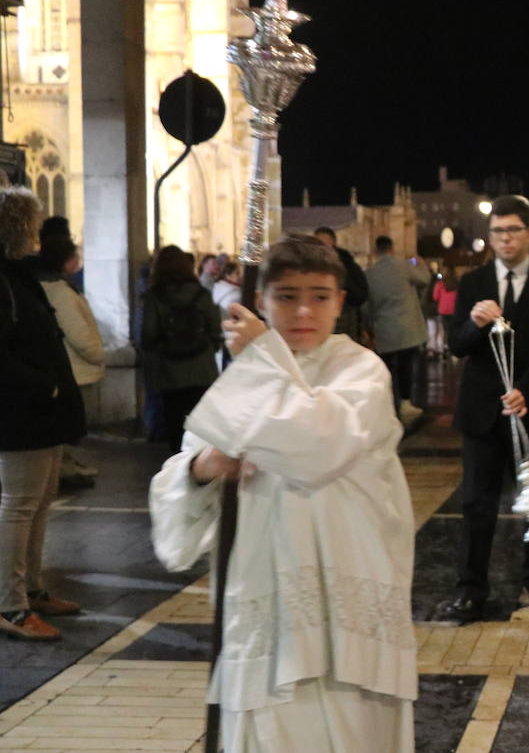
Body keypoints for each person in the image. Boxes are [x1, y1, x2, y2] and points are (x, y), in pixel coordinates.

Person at [149, 236, 416, 752]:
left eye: (319, 296)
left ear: (341, 301)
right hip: (266, 601)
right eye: (286, 295)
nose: (302, 311)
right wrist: (204, 467)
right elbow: (179, 480)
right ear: (261, 301)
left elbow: (319, 441)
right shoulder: (242, 376)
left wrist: (261, 357)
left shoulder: (361, 370)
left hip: (347, 611)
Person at [438, 195, 529, 623]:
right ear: (489, 237)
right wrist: (473, 324)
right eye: (498, 232)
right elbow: (457, 345)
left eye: (513, 230)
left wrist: (527, 389)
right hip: (482, 412)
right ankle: (471, 587)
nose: (505, 239)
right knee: (477, 502)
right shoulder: (472, 284)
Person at [0, 186, 85, 641]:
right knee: (17, 509)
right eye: (30, 226)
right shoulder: (4, 280)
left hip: (42, 414)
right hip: (19, 414)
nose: (37, 235)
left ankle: (31, 590)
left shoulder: (20, 277)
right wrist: (43, 384)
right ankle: (10, 606)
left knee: (37, 506)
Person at [34, 236, 105, 490]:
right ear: (66, 262)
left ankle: (65, 466)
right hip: (75, 368)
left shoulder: (48, 287)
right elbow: (78, 332)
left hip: (67, 366)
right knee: (67, 424)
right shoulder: (61, 292)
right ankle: (62, 471)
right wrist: (98, 354)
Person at [141, 245, 222, 452]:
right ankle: (202, 465)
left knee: (175, 424)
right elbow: (215, 328)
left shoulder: (154, 296)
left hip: (170, 371)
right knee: (202, 424)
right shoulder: (201, 294)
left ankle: (179, 468)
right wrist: (206, 349)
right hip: (202, 368)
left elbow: (148, 334)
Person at [364, 235, 429, 422]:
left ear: (377, 251)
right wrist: (421, 264)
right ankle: (406, 403)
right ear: (392, 249)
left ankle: (387, 404)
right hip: (407, 328)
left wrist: (369, 327)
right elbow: (424, 279)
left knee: (386, 369)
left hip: (384, 329)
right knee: (406, 366)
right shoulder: (403, 266)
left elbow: (367, 306)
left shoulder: (371, 273)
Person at [313, 227, 369, 343]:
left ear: (333, 243)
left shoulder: (348, 265)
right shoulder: (309, 266)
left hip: (345, 324)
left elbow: (361, 294)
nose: (321, 248)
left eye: (324, 243)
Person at [432, 267, 458, 356]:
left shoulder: (439, 284)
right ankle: (453, 347)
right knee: (453, 329)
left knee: (445, 330)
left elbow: (435, 297)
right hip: (454, 310)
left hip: (443, 310)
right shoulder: (457, 284)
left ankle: (445, 347)